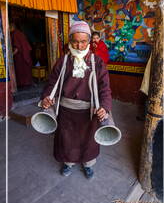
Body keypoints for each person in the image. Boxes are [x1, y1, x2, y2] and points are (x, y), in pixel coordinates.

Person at [41, 21, 112, 179]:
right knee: (66, 140)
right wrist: (47, 97)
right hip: (66, 111)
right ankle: (68, 163)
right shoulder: (63, 61)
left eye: (83, 42)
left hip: (89, 111)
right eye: (75, 41)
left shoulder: (98, 63)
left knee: (88, 141)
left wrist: (104, 107)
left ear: (89, 42)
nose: (79, 46)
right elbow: (52, 83)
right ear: (70, 42)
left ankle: (88, 164)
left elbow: (104, 88)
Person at [10, 23, 33, 88]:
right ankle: (27, 83)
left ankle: (23, 84)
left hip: (20, 56)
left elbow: (17, 48)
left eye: (9, 27)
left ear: (12, 27)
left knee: (20, 70)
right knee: (25, 69)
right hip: (25, 54)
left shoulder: (15, 34)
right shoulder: (20, 33)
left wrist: (11, 55)